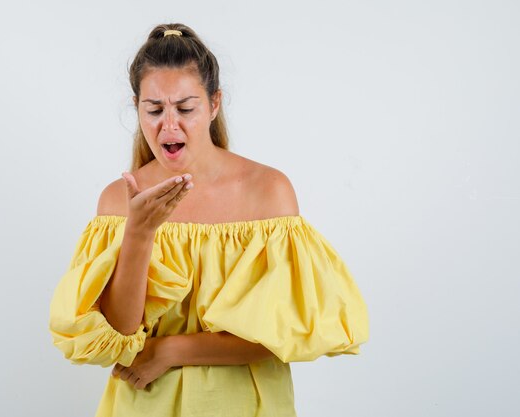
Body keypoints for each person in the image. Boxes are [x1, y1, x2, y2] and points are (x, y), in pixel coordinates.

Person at [48, 23, 369, 417]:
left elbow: (290, 330)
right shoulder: (118, 200)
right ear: (136, 107)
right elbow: (117, 336)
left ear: (214, 104)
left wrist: (172, 350)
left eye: (185, 108)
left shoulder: (267, 191)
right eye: (154, 109)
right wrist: (139, 233)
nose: (169, 125)